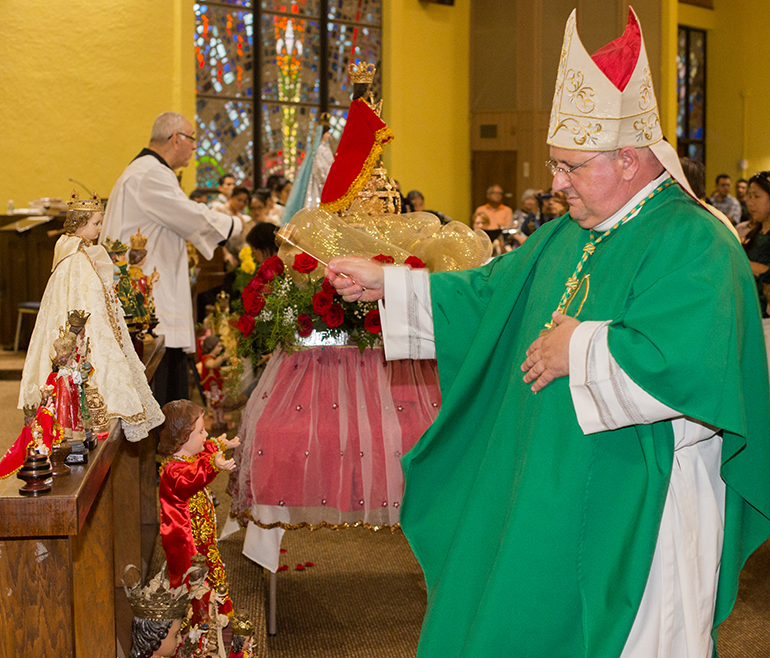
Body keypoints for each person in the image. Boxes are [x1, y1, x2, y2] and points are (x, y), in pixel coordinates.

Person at [325, 8, 770, 657]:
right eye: (554, 167)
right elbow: (492, 298)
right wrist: (390, 284)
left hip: (646, 496)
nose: (555, 185)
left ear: (627, 158)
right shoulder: (572, 230)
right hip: (549, 481)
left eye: (570, 167)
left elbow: (694, 364)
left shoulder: (696, 241)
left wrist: (582, 347)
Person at [101, 112, 242, 407]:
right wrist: (237, 225)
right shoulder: (149, 173)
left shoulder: (146, 170)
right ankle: (162, 451)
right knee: (160, 389)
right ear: (175, 138)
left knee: (166, 380)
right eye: (192, 139)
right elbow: (190, 215)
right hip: (150, 303)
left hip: (152, 297)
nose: (194, 147)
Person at [19, 192, 163, 442]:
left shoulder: (80, 251)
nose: (99, 228)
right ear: (80, 222)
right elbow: (87, 296)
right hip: (81, 329)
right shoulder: (75, 257)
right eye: (96, 223)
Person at [157, 400, 240, 618]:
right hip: (188, 546)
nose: (206, 435)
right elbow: (192, 478)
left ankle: (217, 619)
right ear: (183, 437)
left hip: (203, 541)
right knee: (195, 584)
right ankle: (199, 628)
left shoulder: (188, 457)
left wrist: (220, 446)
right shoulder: (173, 471)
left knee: (212, 578)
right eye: (201, 431)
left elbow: (202, 454)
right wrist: (215, 464)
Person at [742, 171, 770, 363]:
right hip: (752, 318)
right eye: (749, 196)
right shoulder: (752, 235)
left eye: (757, 196)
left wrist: (747, 264)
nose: (750, 202)